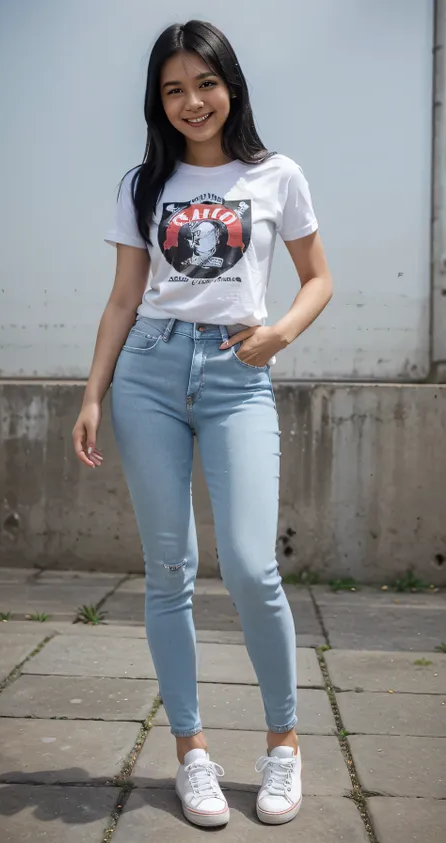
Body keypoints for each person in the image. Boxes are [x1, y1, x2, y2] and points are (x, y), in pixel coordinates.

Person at [72, 19, 332, 829]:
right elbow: (123, 297)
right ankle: (192, 753)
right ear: (159, 99)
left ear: (231, 85)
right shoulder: (142, 184)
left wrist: (278, 334)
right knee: (169, 570)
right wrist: (92, 392)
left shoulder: (277, 174)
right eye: (173, 89)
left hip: (237, 376)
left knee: (254, 567)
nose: (192, 102)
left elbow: (319, 278)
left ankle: (283, 744)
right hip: (147, 375)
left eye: (205, 84)